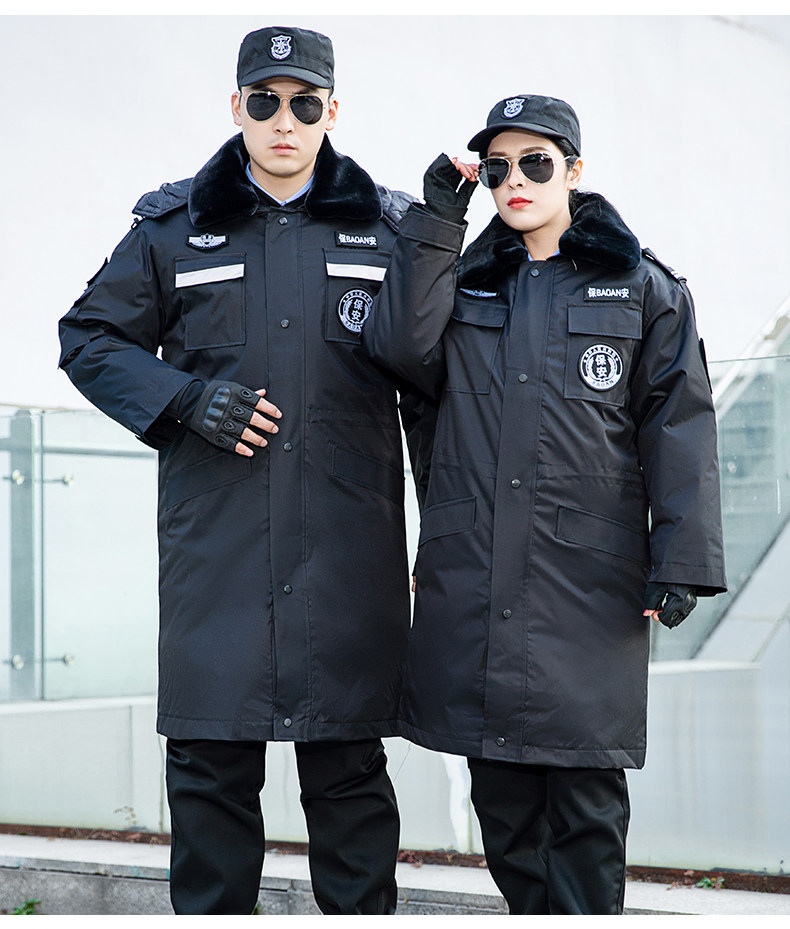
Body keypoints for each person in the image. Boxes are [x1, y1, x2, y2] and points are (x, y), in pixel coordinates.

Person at [58, 25, 423, 916]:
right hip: (218, 562)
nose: (283, 121)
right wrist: (185, 398)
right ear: (237, 107)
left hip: (347, 563)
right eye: (265, 101)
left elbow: (447, 376)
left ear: (331, 110)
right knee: (211, 784)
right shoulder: (173, 230)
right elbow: (89, 337)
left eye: (304, 103)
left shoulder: (394, 231)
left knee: (350, 781)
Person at [363, 94, 727, 915]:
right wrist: (437, 219)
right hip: (474, 572)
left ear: (575, 170)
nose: (515, 181)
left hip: (587, 584)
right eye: (497, 167)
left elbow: (680, 425)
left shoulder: (643, 288)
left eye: (536, 162)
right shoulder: (461, 282)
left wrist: (682, 558)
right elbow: (397, 349)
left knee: (585, 797)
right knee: (502, 799)